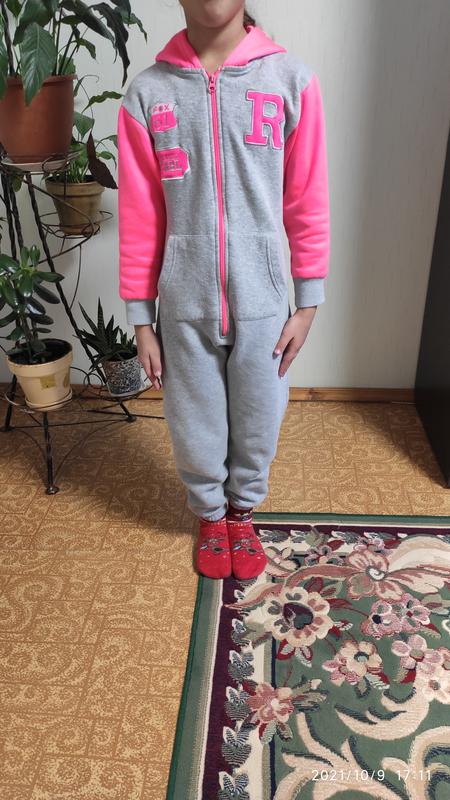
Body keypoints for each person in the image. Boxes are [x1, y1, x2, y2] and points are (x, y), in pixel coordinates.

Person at [117, 1, 330, 581]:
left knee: (260, 419)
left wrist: (308, 301)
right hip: (183, 304)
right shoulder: (147, 95)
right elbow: (141, 216)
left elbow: (306, 199)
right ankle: (211, 515)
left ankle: (242, 511)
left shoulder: (291, 81)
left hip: (265, 302)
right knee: (194, 423)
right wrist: (141, 318)